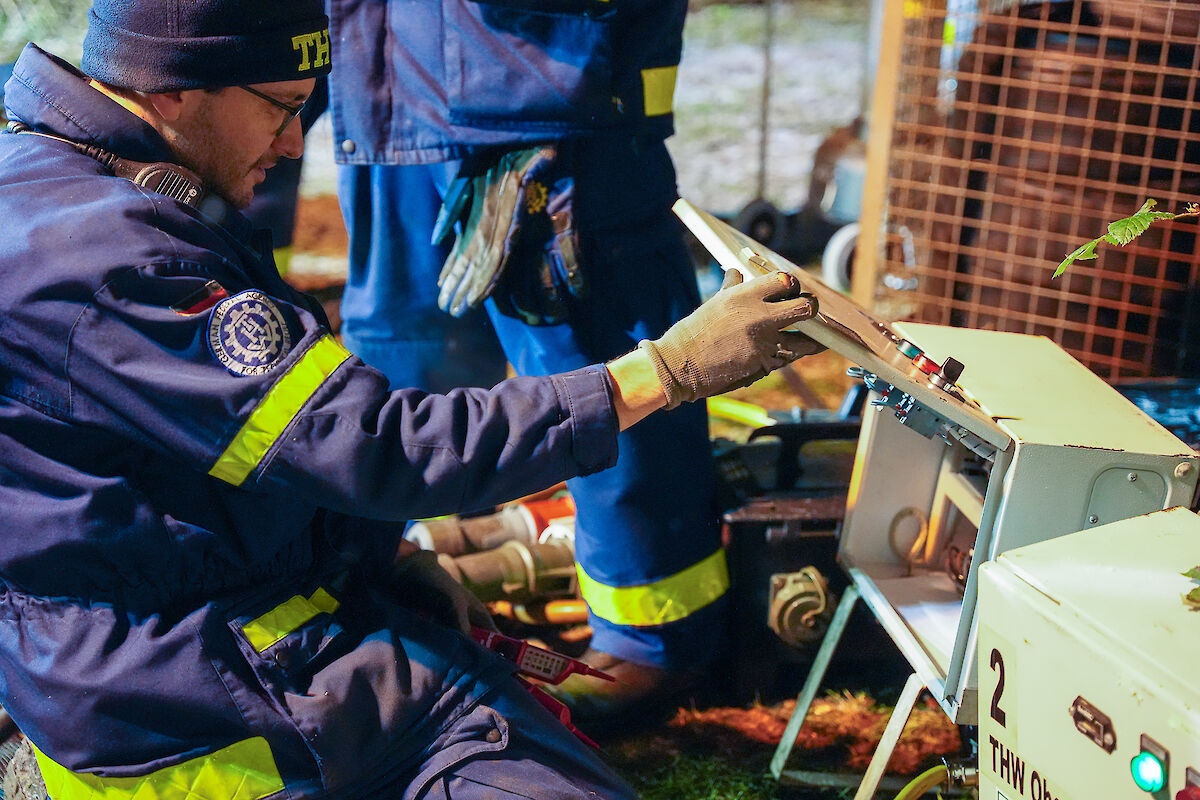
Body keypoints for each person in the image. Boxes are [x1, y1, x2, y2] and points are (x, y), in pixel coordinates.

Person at [0, 1, 822, 796]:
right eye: (283, 109)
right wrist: (666, 370)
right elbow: (372, 447)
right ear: (173, 85)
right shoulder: (111, 266)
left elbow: (225, 451)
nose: (294, 144)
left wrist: (386, 557)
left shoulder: (64, 185)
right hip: (228, 704)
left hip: (228, 651)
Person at [327, 0, 730, 719]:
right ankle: (405, 579)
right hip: (387, 93)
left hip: (549, 95)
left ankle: (652, 642)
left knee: (605, 372)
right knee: (400, 367)